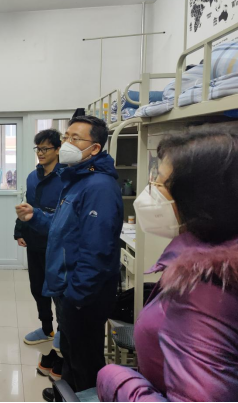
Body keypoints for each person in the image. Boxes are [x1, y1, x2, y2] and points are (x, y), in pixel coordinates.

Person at [97, 128, 238, 402]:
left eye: (160, 183)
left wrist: (116, 380)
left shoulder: (206, 288)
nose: (150, 192)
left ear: (199, 198)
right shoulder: (207, 253)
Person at [16, 116, 123, 398]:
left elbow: (96, 250)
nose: (67, 143)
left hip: (83, 292)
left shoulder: (98, 187)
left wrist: (77, 295)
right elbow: (62, 228)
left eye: (76, 138)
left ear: (95, 148)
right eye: (67, 137)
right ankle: (68, 392)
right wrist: (35, 216)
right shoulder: (77, 179)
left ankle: (84, 393)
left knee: (85, 357)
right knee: (71, 351)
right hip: (69, 287)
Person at [14, 129, 65, 379]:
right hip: (34, 239)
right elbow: (28, 206)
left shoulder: (66, 176)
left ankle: (63, 333)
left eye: (46, 148)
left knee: (58, 290)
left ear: (57, 149)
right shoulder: (32, 177)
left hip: (57, 243)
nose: (41, 153)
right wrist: (19, 230)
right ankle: (46, 328)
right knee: (37, 287)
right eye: (38, 149)